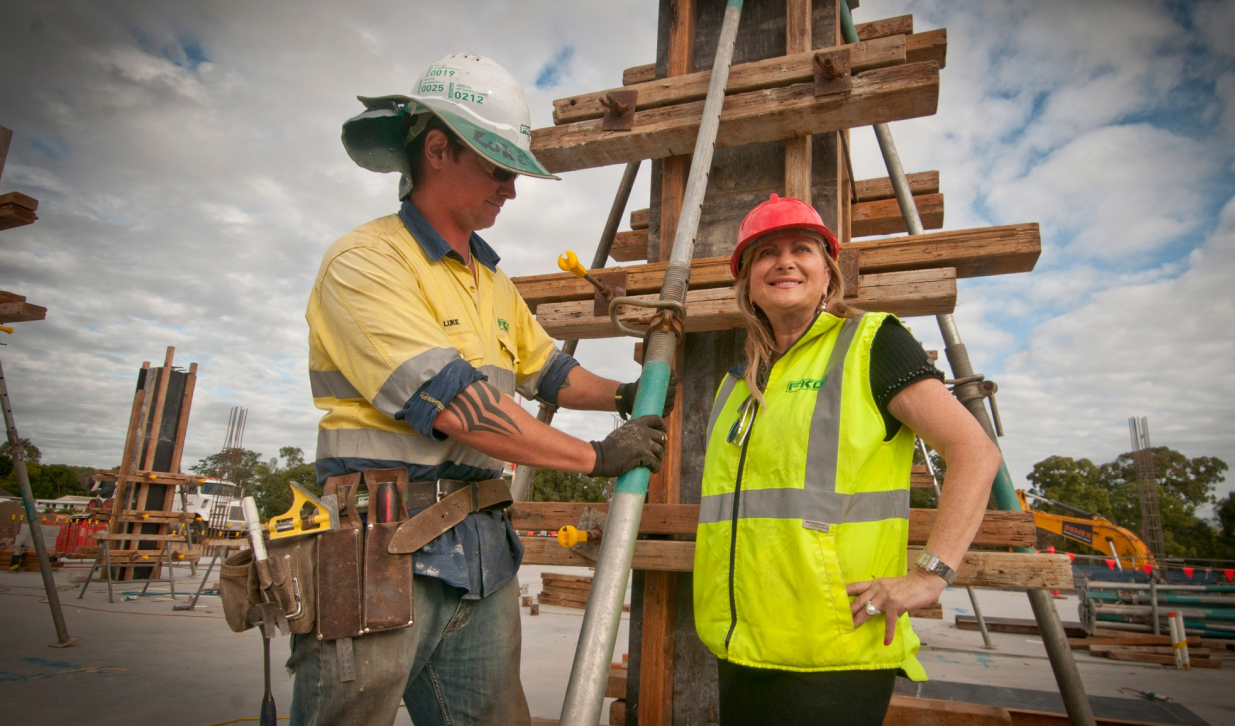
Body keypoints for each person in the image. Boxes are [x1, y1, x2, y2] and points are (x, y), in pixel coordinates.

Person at [296, 53, 673, 726]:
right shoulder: (368, 263)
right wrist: (593, 457)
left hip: (479, 556)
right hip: (378, 551)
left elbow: (550, 373)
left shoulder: (490, 284)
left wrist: (629, 394)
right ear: (437, 149)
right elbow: (458, 406)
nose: (512, 190)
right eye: (500, 169)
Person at [692, 195, 1002, 726]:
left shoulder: (869, 343)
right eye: (765, 252)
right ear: (746, 280)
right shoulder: (738, 382)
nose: (784, 261)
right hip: (739, 645)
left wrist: (932, 574)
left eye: (802, 249)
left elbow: (976, 450)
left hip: (835, 653)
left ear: (827, 272)